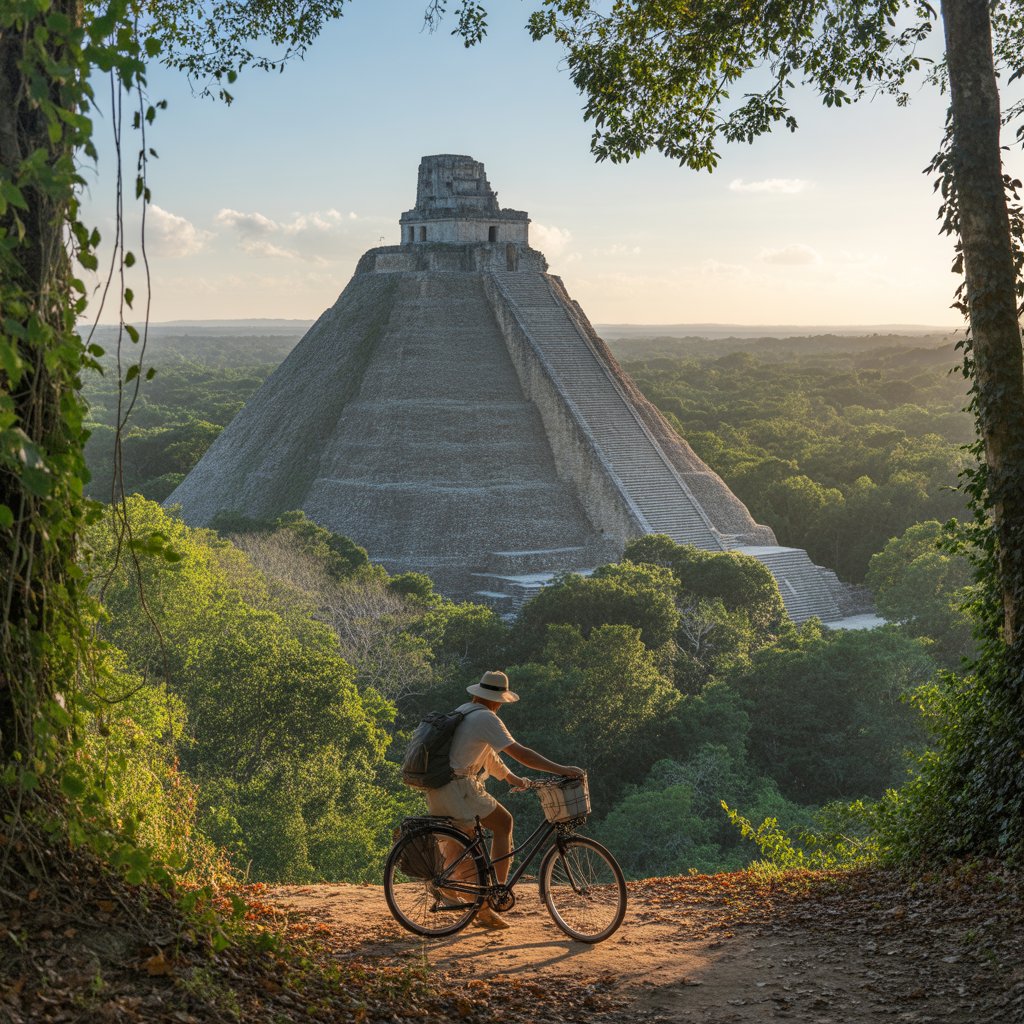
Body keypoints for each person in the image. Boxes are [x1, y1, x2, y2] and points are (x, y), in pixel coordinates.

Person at [425, 670, 584, 930]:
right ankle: (495, 893)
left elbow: (485, 755)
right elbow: (522, 754)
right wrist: (562, 770)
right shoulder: (487, 718)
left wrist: (511, 778)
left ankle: (464, 897)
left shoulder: (464, 711)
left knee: (460, 844)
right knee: (503, 823)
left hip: (441, 786)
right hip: (458, 787)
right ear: (498, 699)